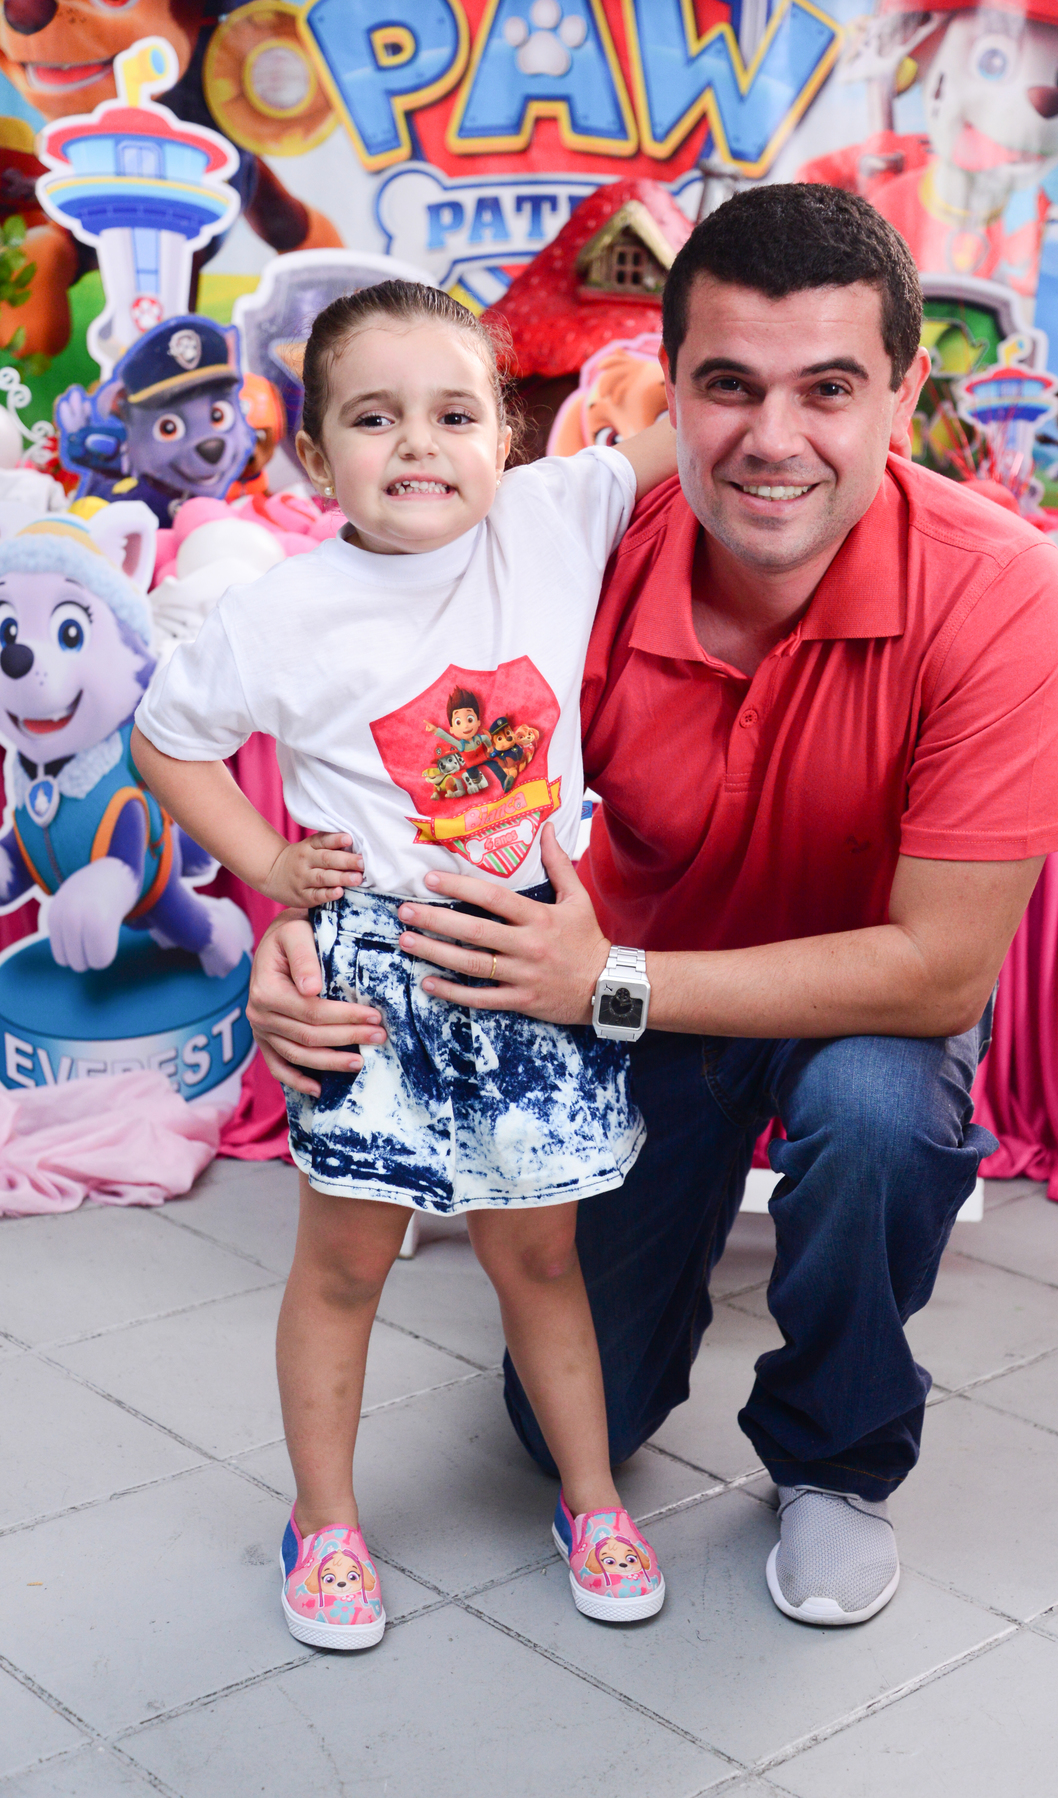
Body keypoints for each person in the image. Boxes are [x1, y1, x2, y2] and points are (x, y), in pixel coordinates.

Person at [245, 186, 1058, 1629]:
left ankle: (834, 1458)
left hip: (833, 1005)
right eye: (730, 385)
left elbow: (943, 971)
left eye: (830, 389)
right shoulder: (577, 548)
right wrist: (300, 920)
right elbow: (396, 739)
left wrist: (607, 982)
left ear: (906, 394)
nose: (774, 438)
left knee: (876, 1118)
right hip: (625, 995)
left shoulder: (1001, 589)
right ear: (670, 387)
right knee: (563, 1426)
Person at [130, 279, 680, 1647]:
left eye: (455, 414)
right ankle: (323, 1522)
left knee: (540, 1261)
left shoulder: (558, 516)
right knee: (344, 1264)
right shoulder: (283, 610)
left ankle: (593, 1500)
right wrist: (270, 864)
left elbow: (706, 426)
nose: (420, 444)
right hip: (373, 980)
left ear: (508, 434)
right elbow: (166, 741)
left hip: (530, 960)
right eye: (375, 418)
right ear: (316, 457)